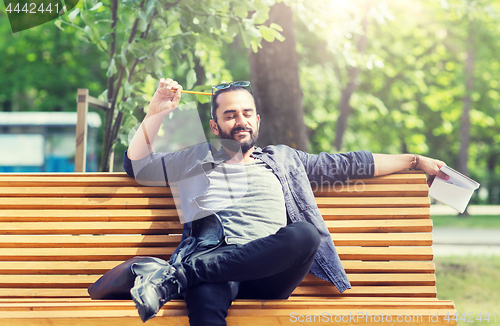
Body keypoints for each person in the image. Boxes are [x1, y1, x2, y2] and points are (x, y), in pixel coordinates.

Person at [122, 78, 449, 325]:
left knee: (305, 235)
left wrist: (413, 160)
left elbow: (348, 163)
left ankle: (179, 276)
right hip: (215, 264)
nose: (241, 121)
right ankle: (191, 275)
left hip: (269, 272)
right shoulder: (196, 158)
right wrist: (155, 113)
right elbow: (138, 166)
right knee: (206, 297)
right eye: (231, 115)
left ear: (258, 120)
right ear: (215, 125)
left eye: (247, 113)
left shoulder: (283, 160)